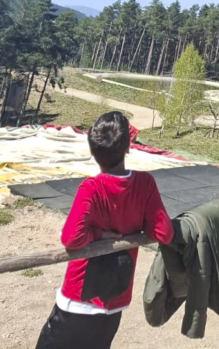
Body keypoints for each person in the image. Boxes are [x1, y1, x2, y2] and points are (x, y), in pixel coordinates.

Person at [36, 111, 173, 349]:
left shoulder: (92, 188)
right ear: (128, 148)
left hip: (79, 297)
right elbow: (164, 233)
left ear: (92, 152)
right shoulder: (145, 183)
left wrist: (98, 235)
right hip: (116, 298)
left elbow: (71, 238)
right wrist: (138, 225)